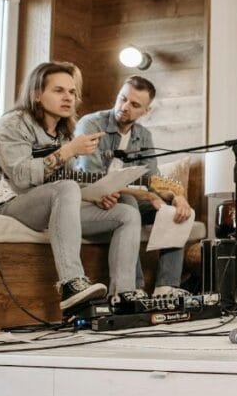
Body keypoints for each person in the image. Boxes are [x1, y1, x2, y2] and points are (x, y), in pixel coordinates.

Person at [0, 61, 142, 310]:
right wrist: (69, 151)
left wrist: (94, 196)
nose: (68, 97)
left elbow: (64, 184)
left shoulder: (62, 133)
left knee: (127, 214)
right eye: (58, 91)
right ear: (36, 93)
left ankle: (122, 296)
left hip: (46, 205)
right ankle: (71, 282)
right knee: (66, 187)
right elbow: (22, 176)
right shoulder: (13, 124)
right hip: (5, 204)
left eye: (72, 92)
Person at [74, 75, 193, 298]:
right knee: (128, 200)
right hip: (90, 199)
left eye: (135, 104)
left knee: (176, 210)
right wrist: (143, 195)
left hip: (126, 200)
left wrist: (178, 196)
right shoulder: (91, 124)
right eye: (122, 99)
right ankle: (134, 287)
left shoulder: (143, 136)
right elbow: (93, 178)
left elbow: (153, 180)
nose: (125, 107)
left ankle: (166, 287)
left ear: (145, 111)